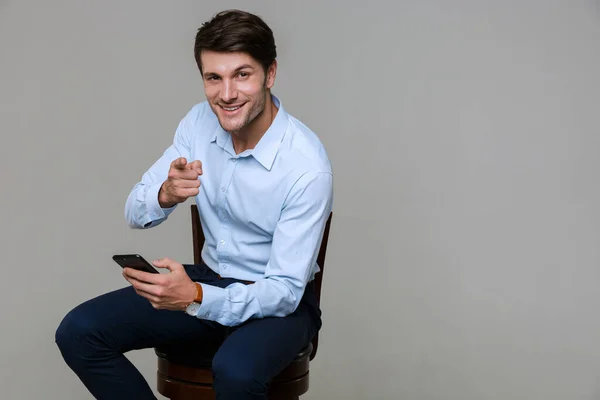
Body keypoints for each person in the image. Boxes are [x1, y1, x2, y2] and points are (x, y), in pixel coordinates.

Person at [54, 8, 333, 400]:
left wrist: (197, 297)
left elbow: (284, 291)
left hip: (277, 303)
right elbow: (135, 210)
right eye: (213, 78)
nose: (227, 94)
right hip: (210, 277)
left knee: (235, 371)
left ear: (270, 74)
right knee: (78, 331)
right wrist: (164, 194)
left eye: (242, 74)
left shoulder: (306, 166)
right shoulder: (198, 123)